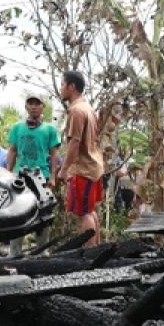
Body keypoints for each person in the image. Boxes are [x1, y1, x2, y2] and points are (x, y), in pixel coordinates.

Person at [6, 92, 62, 257]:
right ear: (26, 107)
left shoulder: (50, 129)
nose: (34, 106)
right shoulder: (17, 127)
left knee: (43, 212)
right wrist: (8, 173)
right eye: (30, 103)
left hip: (41, 176)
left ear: (42, 106)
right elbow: (12, 150)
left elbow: (54, 155)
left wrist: (52, 176)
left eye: (37, 103)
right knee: (17, 213)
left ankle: (41, 251)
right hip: (20, 177)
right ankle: (14, 252)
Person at [57, 70, 106, 246]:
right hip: (93, 166)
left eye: (63, 84)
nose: (61, 88)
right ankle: (96, 251)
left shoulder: (76, 110)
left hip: (83, 169)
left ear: (72, 87)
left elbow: (74, 143)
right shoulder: (88, 108)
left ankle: (90, 254)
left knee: (84, 213)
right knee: (90, 211)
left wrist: (63, 170)